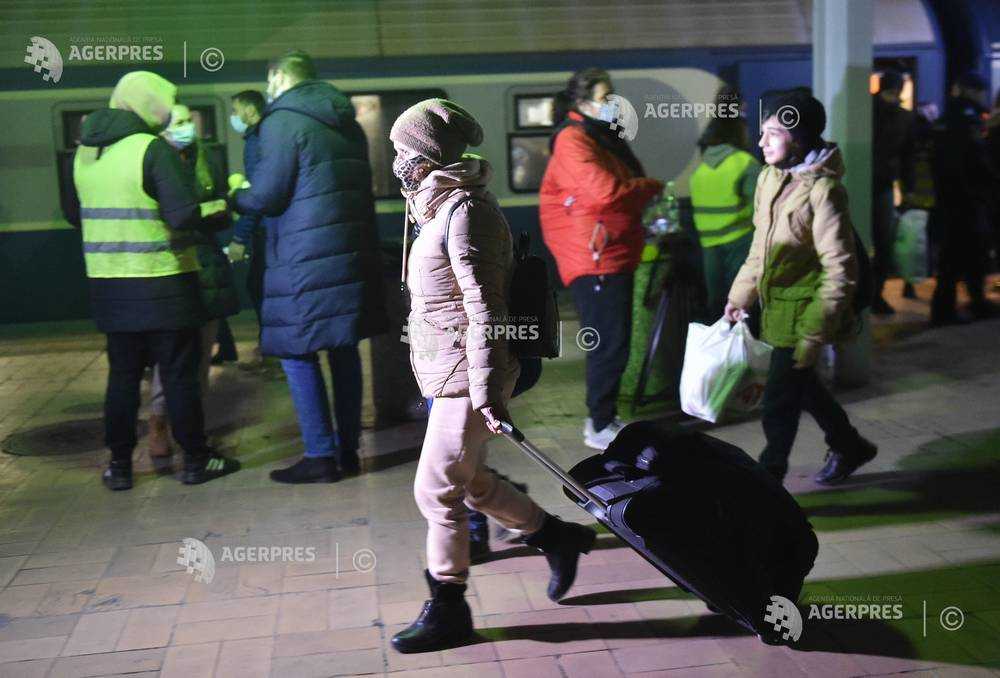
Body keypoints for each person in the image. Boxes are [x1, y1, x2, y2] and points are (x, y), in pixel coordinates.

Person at [388, 99, 595, 653]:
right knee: (470, 483)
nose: (395, 159)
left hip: (469, 373)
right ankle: (556, 537)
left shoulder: (466, 212)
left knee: (435, 490)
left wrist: (485, 392)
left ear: (426, 155)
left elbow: (487, 309)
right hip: (448, 368)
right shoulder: (433, 205)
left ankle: (448, 609)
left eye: (401, 150)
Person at [66, 71, 240, 489]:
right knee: (179, 377)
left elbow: (76, 214)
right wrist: (219, 207)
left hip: (109, 287)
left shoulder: (85, 155)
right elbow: (181, 214)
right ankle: (196, 461)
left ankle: (120, 466)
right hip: (164, 283)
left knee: (122, 379)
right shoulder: (150, 149)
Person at [228, 51, 388, 483]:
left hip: (302, 259)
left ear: (279, 77)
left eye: (269, 81)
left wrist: (236, 194)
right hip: (347, 254)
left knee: (297, 353)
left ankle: (320, 454)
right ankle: (349, 449)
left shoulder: (282, 121)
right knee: (343, 348)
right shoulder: (346, 122)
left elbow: (267, 196)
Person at [725, 90, 877, 485]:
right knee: (804, 388)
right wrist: (740, 296)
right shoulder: (769, 178)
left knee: (778, 401)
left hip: (807, 313)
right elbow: (761, 247)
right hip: (776, 308)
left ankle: (768, 478)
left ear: (801, 138)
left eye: (773, 133)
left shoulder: (825, 192)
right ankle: (850, 446)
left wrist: (815, 331)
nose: (761, 143)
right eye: (762, 133)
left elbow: (840, 271)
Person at [539, 68, 663, 450]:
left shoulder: (599, 138)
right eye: (605, 97)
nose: (613, 104)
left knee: (615, 339)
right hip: (595, 256)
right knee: (609, 342)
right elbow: (606, 192)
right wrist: (649, 187)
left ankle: (605, 417)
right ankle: (599, 422)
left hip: (609, 251)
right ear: (582, 102)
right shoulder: (574, 141)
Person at [146, 104, 242, 463]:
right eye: (180, 122)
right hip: (173, 267)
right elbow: (172, 217)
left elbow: (217, 214)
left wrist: (216, 210)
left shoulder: (205, 158)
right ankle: (158, 423)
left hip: (208, 268)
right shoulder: (155, 160)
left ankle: (191, 426)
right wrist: (201, 211)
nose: (188, 128)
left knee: (202, 355)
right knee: (169, 357)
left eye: (190, 121)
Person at [930, 73, 998, 325]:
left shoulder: (944, 119)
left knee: (961, 255)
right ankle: (948, 310)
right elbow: (975, 164)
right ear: (973, 92)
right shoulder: (966, 121)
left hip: (949, 199)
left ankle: (964, 304)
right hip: (967, 201)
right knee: (964, 255)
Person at [690, 110, 761, 321]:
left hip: (709, 243)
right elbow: (761, 206)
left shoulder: (701, 168)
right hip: (740, 239)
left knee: (717, 302)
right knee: (744, 302)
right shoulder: (744, 162)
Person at [871, 69, 917, 315]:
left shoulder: (866, 110)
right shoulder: (904, 117)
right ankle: (875, 296)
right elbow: (908, 157)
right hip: (883, 185)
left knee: (874, 242)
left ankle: (870, 295)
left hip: (867, 183)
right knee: (883, 243)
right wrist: (909, 189)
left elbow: (907, 156)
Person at [226, 90, 268, 351]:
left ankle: (271, 354)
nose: (234, 116)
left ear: (250, 111)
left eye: (235, 110)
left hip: (265, 231)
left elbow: (257, 195)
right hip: (267, 229)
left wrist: (240, 236)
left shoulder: (256, 141)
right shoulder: (263, 137)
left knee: (258, 287)